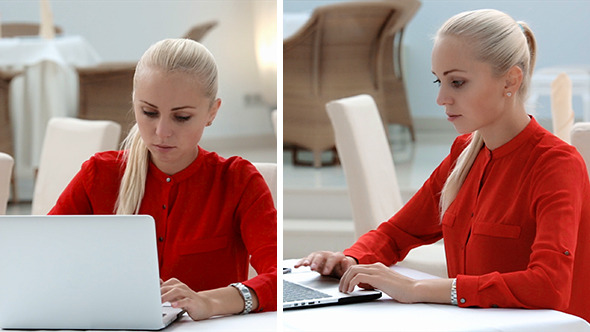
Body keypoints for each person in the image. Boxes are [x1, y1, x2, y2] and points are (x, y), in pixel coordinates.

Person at [297, 9, 590, 322]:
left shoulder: (556, 164)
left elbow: (548, 285)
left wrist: (421, 288)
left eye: (458, 82)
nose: (441, 98)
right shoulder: (464, 153)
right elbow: (398, 233)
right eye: (440, 81)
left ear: (511, 80)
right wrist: (349, 257)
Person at [50, 38, 277, 320]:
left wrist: (209, 302)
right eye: (149, 112)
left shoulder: (238, 181)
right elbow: (42, 256)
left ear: (212, 112)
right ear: (134, 105)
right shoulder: (98, 175)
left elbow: (279, 278)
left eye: (181, 117)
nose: (162, 131)